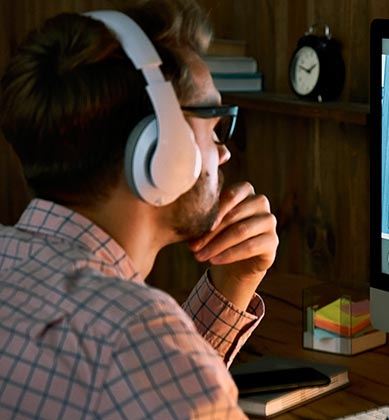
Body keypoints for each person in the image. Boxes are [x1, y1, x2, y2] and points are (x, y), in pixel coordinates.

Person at [0, 1, 278, 418]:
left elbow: (150, 387)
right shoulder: (133, 338)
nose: (223, 153)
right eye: (213, 122)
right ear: (162, 152)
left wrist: (232, 287)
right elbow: (145, 367)